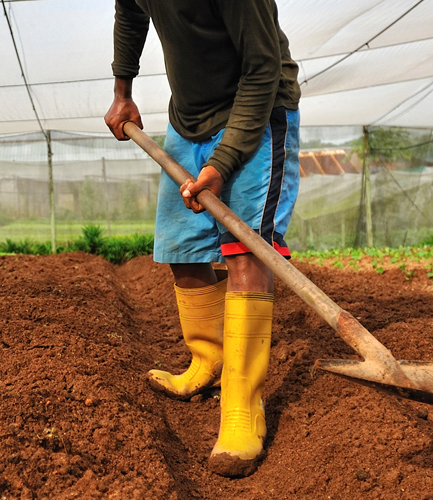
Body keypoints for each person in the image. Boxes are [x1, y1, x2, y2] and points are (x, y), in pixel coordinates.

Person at [103, 0, 301, 478]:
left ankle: (241, 408)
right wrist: (122, 91)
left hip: (254, 112)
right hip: (187, 118)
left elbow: (261, 70)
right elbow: (131, 13)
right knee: (182, 246)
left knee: (247, 251)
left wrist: (222, 162)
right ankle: (207, 359)